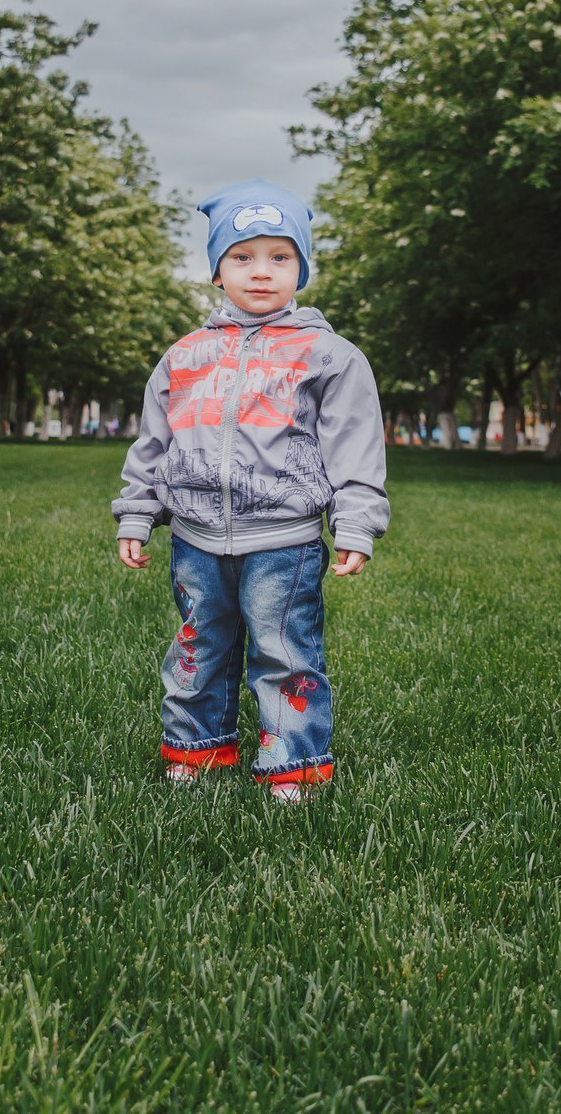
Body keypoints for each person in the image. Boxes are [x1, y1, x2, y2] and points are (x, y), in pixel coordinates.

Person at [113, 180, 388, 803]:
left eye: (280, 257)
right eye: (242, 257)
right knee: (197, 645)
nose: (261, 272)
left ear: (302, 268)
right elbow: (155, 442)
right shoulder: (184, 356)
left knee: (284, 651)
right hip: (196, 539)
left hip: (283, 541)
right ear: (216, 270)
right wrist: (136, 513)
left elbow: (355, 445)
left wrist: (357, 522)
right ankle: (197, 748)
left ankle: (291, 764)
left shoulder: (329, 356)